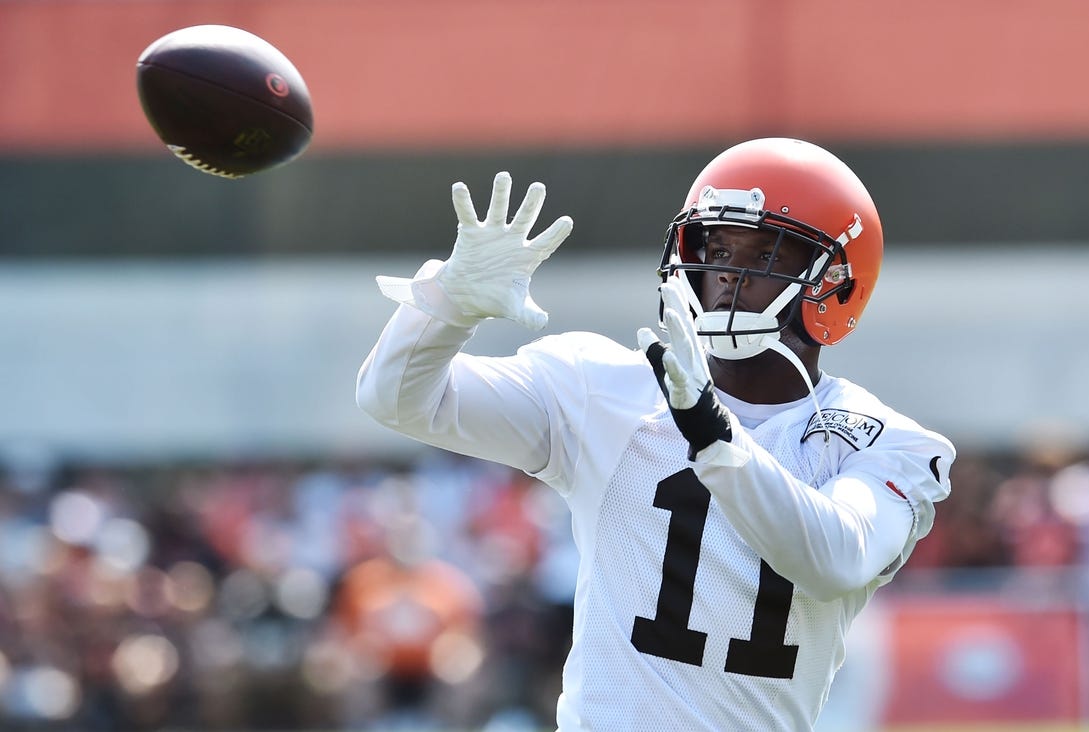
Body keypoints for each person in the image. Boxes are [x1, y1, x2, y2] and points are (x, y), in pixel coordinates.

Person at [356, 138, 954, 731]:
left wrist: (713, 435)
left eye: (765, 254)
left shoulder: (884, 441)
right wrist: (446, 306)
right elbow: (399, 400)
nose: (727, 275)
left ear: (837, 283)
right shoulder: (600, 386)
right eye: (717, 248)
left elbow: (833, 558)